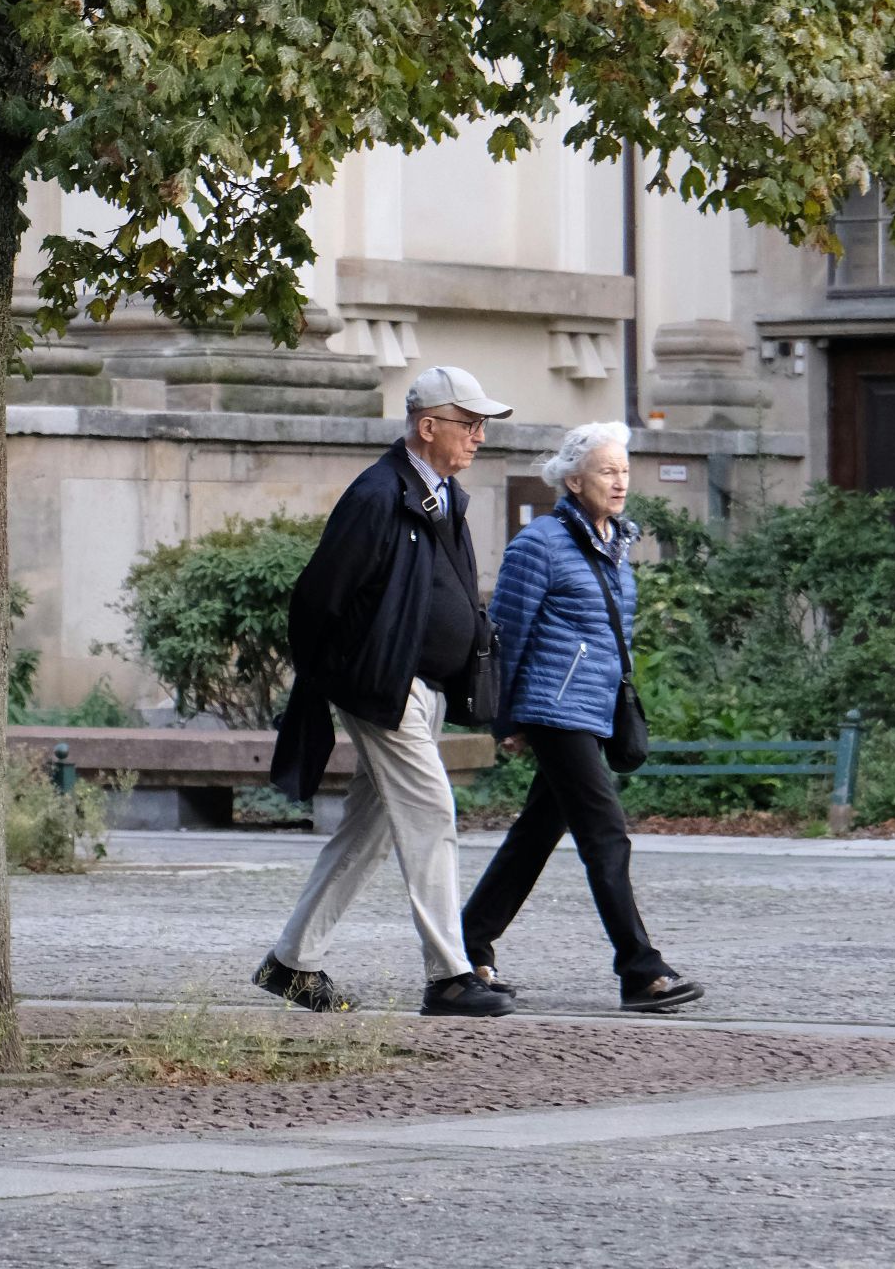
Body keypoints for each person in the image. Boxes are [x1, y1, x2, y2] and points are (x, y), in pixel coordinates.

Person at [255, 365, 515, 1019]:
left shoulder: (442, 495)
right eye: (469, 423)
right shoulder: (377, 495)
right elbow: (316, 601)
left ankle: (292, 961)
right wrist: (360, 677)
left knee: (368, 832)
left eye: (483, 424)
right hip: (384, 690)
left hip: (417, 690)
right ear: (428, 427)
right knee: (432, 815)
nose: (480, 435)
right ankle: (450, 974)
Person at [461, 421, 704, 1012]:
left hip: (593, 708)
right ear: (573, 480)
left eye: (624, 470)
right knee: (605, 834)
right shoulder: (539, 543)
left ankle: (465, 944)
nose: (620, 481)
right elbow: (508, 633)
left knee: (537, 832)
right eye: (606, 471)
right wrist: (506, 716)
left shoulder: (616, 542)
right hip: (552, 706)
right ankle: (639, 969)